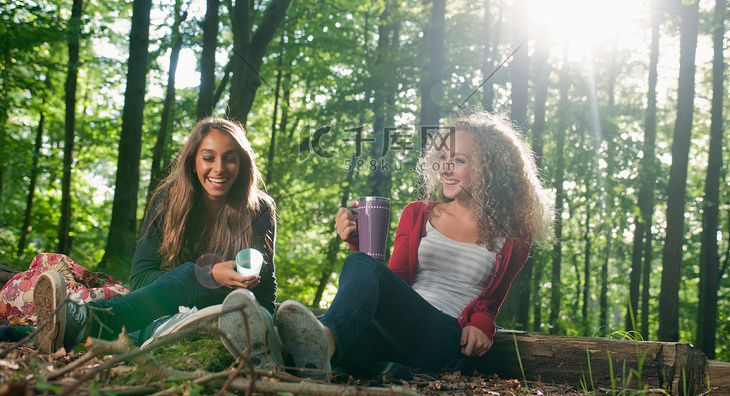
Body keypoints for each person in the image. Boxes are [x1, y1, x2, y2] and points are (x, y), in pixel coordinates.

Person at [273, 110, 553, 380]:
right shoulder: (418, 213)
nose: (444, 168)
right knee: (351, 334)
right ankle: (276, 350)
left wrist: (483, 324)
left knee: (360, 274)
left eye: (458, 160)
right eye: (443, 157)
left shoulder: (513, 237)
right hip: (393, 334)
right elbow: (392, 282)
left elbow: (490, 303)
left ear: (489, 169)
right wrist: (358, 242)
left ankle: (322, 340)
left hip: (444, 338)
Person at [34, 117, 283, 366]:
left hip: (230, 315)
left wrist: (261, 319)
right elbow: (140, 280)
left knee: (243, 308)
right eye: (208, 157)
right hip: (161, 314)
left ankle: (85, 322)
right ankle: (66, 327)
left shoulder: (260, 209)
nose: (219, 168)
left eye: (230, 158)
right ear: (193, 161)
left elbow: (266, 288)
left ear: (242, 164)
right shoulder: (168, 199)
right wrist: (208, 276)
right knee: (190, 275)